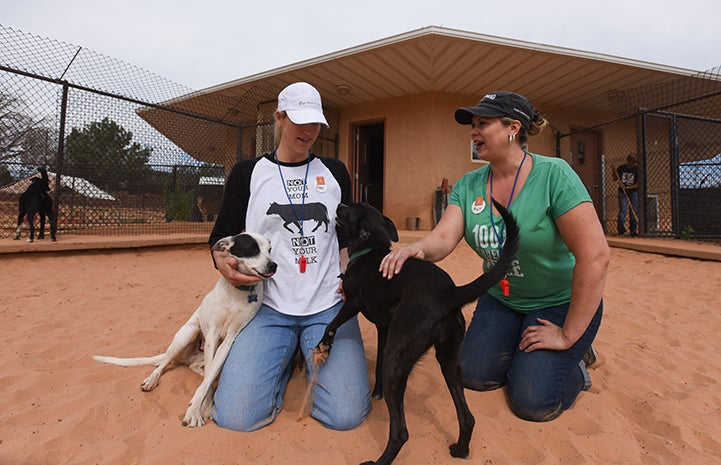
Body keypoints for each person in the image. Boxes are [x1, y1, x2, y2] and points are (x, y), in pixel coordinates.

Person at [379, 91, 610, 422]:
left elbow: (596, 256)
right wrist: (419, 249)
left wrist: (567, 334)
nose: (473, 132)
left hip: (559, 302)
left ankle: (579, 359)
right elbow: (444, 237)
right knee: (471, 374)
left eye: (482, 124)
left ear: (513, 128)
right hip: (503, 299)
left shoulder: (553, 175)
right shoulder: (469, 184)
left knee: (533, 402)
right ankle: (524, 350)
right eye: (472, 125)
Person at [208, 82, 370, 432]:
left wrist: (350, 274)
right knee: (236, 417)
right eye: (299, 120)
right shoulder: (247, 173)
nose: (309, 130)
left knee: (345, 416)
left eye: (315, 122)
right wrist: (223, 263)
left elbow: (346, 236)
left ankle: (299, 353)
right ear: (279, 118)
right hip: (265, 307)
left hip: (327, 305)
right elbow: (220, 238)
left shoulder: (335, 172)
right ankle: (285, 358)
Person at [616, 154, 639, 237]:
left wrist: (628, 187)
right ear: (628, 161)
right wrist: (614, 174)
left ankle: (633, 230)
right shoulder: (621, 168)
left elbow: (638, 184)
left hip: (633, 192)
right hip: (622, 192)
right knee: (623, 209)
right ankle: (621, 229)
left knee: (634, 210)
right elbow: (615, 178)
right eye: (632, 162)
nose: (634, 164)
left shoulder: (637, 170)